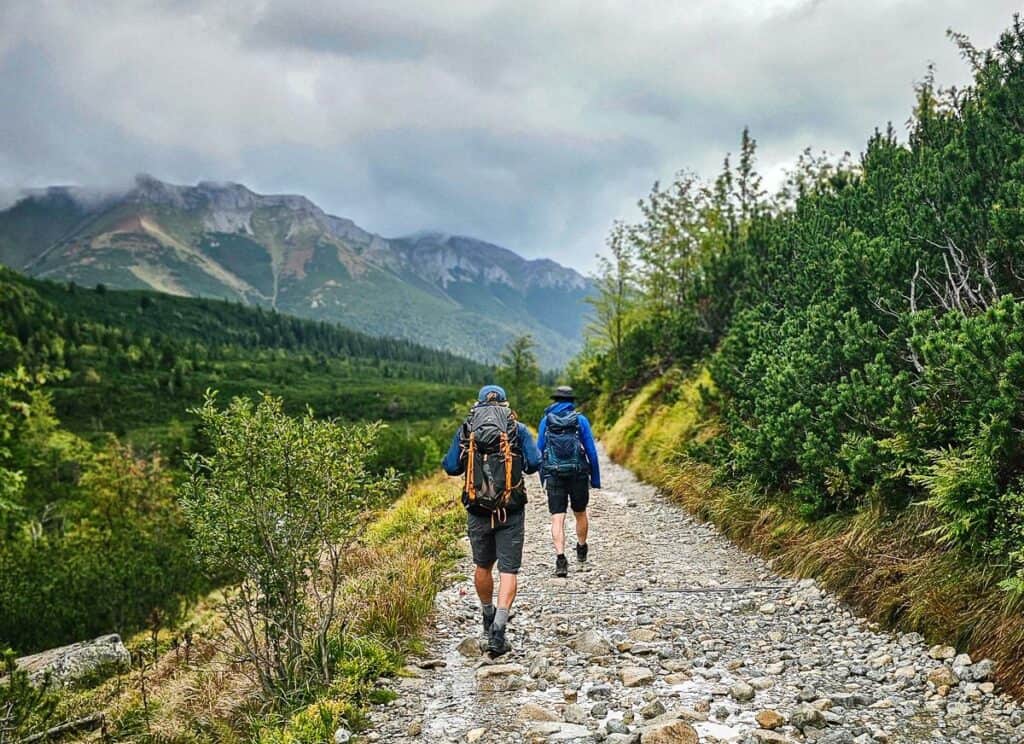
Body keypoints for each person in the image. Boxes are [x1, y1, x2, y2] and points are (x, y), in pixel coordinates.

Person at [442, 384, 540, 656]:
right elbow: (534, 464)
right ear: (505, 405)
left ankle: (487, 616)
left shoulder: (467, 429)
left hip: (477, 509)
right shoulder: (517, 429)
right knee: (508, 570)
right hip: (511, 508)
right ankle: (498, 630)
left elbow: (451, 467)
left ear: (479, 404)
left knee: (482, 565)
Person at [537, 385, 600, 577]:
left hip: (554, 474)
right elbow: (591, 450)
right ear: (571, 402)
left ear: (555, 401)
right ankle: (581, 549)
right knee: (580, 512)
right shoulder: (580, 420)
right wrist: (595, 478)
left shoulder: (546, 421)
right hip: (578, 473)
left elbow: (539, 451)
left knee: (557, 517)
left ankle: (561, 559)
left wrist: (543, 478)